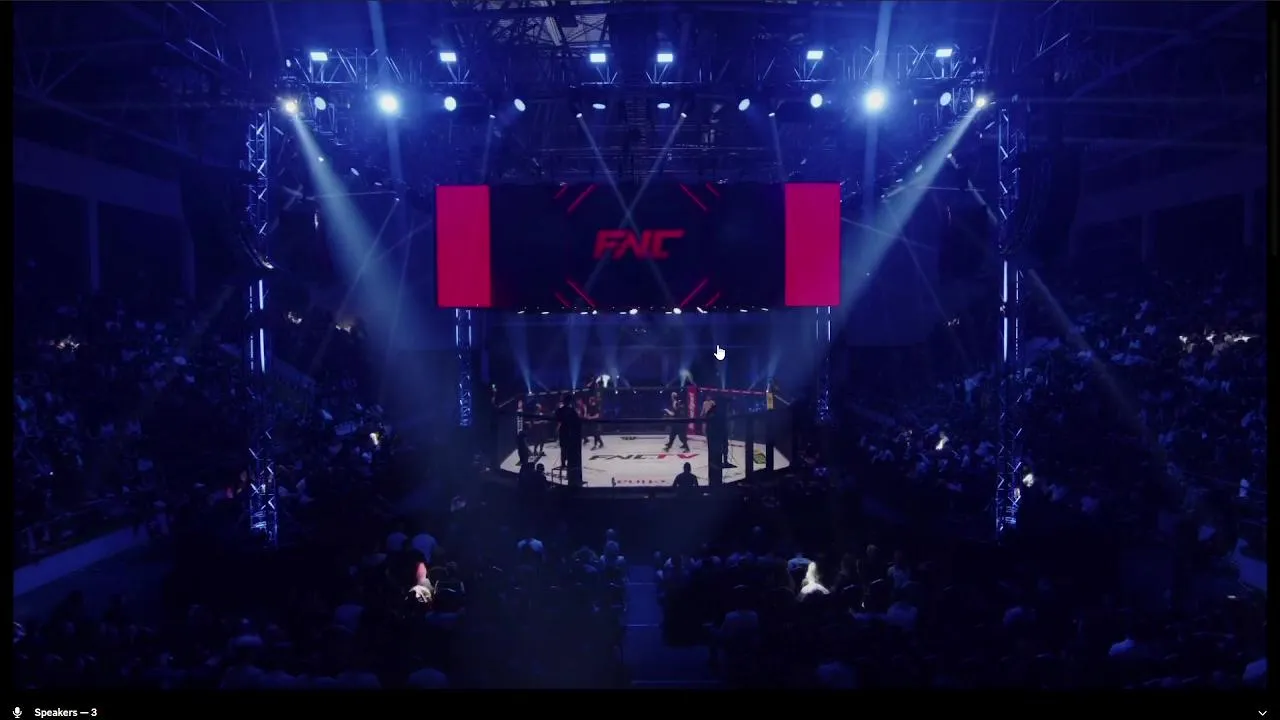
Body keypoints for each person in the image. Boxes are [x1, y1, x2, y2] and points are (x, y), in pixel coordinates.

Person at [554, 394, 583, 471]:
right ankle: (569, 463)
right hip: (570, 432)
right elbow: (577, 420)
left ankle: (563, 463)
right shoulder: (572, 410)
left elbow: (558, 421)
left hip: (563, 432)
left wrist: (557, 429)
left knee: (563, 448)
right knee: (569, 448)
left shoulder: (560, 410)